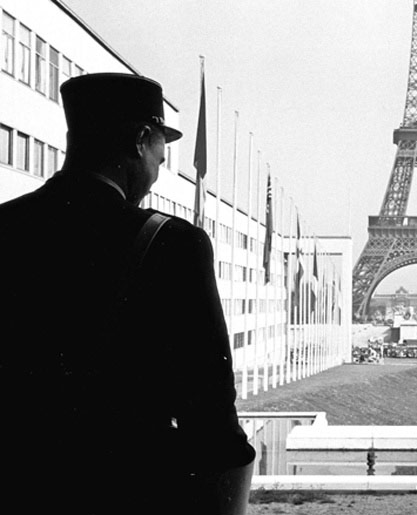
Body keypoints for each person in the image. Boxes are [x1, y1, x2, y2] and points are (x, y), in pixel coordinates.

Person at [0, 73, 255, 514]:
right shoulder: (172, 243)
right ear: (140, 139)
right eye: (160, 150)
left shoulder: (7, 226)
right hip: (125, 492)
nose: (158, 169)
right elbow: (210, 414)